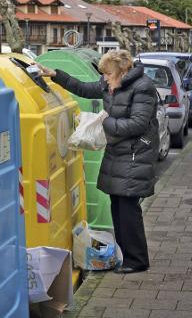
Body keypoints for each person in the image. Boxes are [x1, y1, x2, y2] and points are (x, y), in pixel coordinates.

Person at [37, 50, 159, 274]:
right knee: (117, 206)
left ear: (123, 72)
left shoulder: (143, 87)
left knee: (129, 208)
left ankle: (138, 260)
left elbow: (138, 124)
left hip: (135, 154)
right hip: (118, 152)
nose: (104, 78)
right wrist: (55, 75)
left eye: (108, 74)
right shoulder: (110, 83)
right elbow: (83, 88)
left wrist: (104, 122)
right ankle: (127, 256)